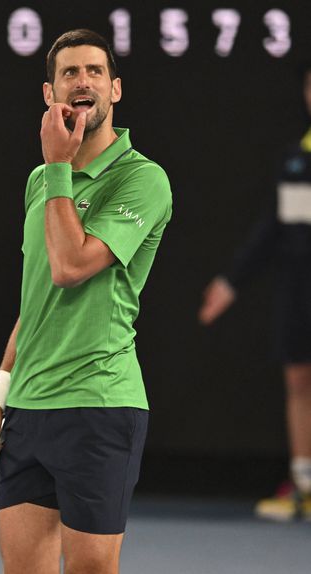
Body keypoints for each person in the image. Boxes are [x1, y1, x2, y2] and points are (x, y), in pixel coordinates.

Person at [0, 29, 172, 573]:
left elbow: (70, 266)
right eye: (70, 73)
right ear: (50, 93)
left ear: (116, 89)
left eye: (95, 72)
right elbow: (36, 301)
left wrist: (59, 165)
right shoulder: (41, 182)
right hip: (29, 410)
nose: (83, 82)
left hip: (99, 406)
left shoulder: (143, 180)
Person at [198, 64, 311, 522]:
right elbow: (278, 229)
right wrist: (230, 283)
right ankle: (304, 488)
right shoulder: (297, 159)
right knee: (299, 382)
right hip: (299, 290)